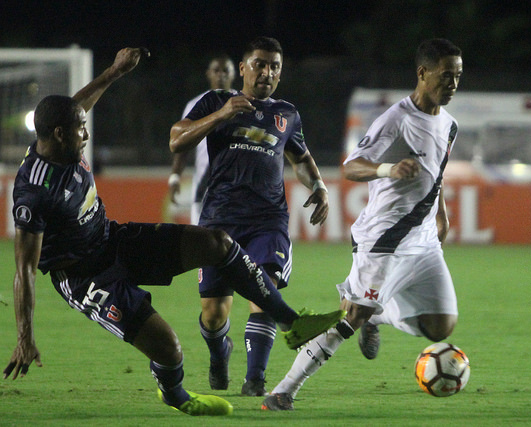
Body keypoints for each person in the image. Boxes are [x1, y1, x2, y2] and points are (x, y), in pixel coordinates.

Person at [3, 47, 344, 417]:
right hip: (84, 275)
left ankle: (291, 322)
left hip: (111, 240)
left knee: (217, 243)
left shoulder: (64, 136)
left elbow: (78, 105)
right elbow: (24, 269)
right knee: (170, 350)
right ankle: (177, 396)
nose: (85, 135)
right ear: (58, 134)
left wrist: (115, 72)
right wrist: (24, 337)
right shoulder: (33, 193)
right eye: (79, 130)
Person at [261, 38, 464, 411]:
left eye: (458, 76)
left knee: (441, 326)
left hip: (423, 242)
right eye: (446, 75)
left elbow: (437, 172)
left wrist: (441, 211)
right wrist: (388, 169)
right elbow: (352, 166)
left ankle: (379, 316)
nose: (452, 84)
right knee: (352, 316)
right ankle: (283, 390)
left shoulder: (449, 125)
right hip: (385, 238)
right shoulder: (396, 120)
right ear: (422, 73)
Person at [169, 36, 330, 397]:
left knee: (264, 286)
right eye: (260, 64)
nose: (267, 72)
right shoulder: (215, 101)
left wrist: (317, 185)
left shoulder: (286, 113)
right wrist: (222, 115)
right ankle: (218, 352)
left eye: (275, 66)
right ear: (243, 68)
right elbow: (176, 140)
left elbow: (300, 157)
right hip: (218, 222)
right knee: (213, 313)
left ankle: (255, 380)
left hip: (267, 220)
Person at [168, 54, 236, 224]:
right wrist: (175, 176)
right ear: (208, 74)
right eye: (216, 70)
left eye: (226, 70)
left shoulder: (244, 103)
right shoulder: (196, 105)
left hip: (236, 184)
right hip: (205, 185)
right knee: (202, 239)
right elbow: (182, 143)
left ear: (235, 74)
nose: (221, 75)